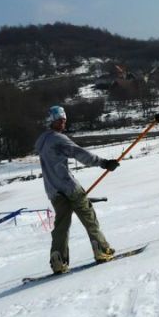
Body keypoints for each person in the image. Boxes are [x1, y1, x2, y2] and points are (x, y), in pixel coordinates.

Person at [35, 105, 120, 274]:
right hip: (69, 187)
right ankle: (101, 251)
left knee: (61, 226)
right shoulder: (58, 139)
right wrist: (103, 163)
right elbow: (79, 153)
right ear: (52, 121)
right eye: (60, 120)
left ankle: (58, 260)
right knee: (89, 218)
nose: (63, 123)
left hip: (53, 191)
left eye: (64, 120)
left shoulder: (42, 141)